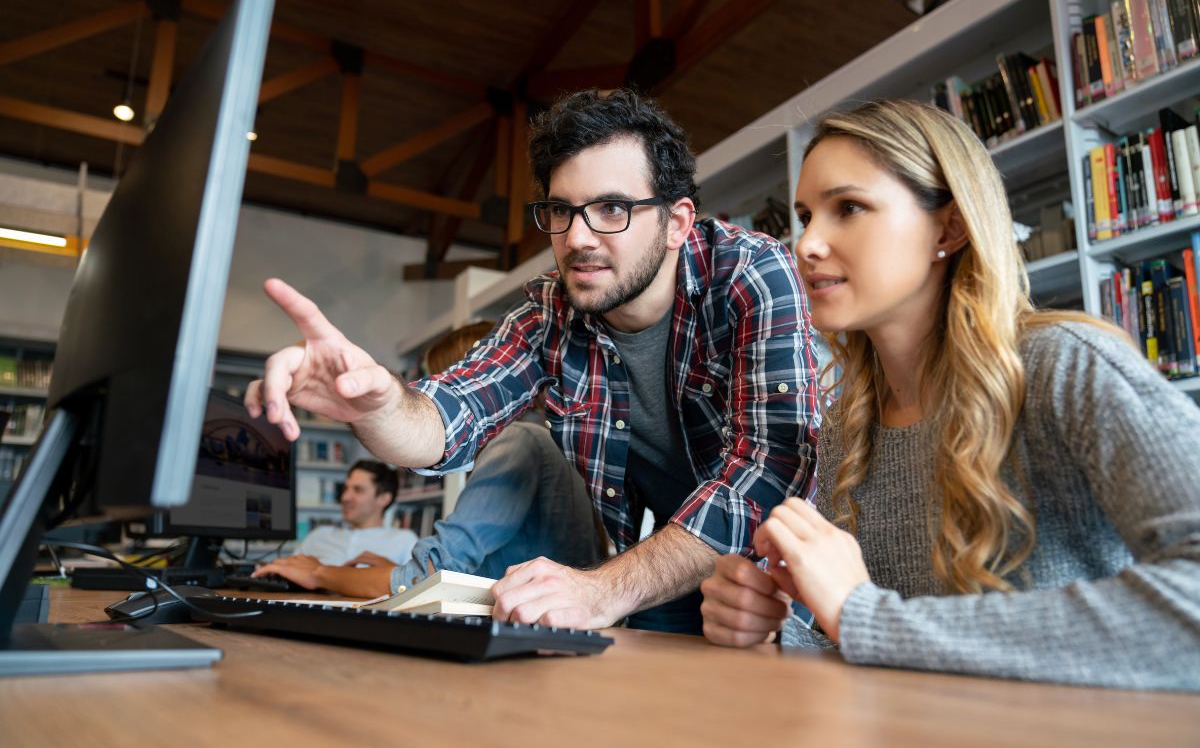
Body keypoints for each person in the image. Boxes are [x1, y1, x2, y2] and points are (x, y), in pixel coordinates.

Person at [245, 88, 821, 633]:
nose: (578, 239)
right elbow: (448, 416)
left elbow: (767, 470)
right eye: (562, 211)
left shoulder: (750, 272)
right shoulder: (553, 308)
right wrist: (372, 404)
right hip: (662, 570)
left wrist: (603, 589)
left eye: (612, 209)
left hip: (779, 577)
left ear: (676, 223)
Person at [699, 99, 1200, 691]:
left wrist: (860, 616)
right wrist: (780, 627)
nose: (806, 244)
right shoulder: (850, 424)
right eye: (806, 215)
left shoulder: (1068, 365)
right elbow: (900, 643)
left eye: (849, 208)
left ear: (950, 228)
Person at [250, 323, 608, 599]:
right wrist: (394, 571)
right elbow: (464, 577)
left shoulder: (517, 442)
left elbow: (427, 579)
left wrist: (318, 573)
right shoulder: (545, 442)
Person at [254, 459, 416, 581]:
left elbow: (416, 588)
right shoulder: (319, 535)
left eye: (358, 490)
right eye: (346, 489)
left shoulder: (404, 540)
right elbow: (288, 572)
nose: (345, 497)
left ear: (383, 499)